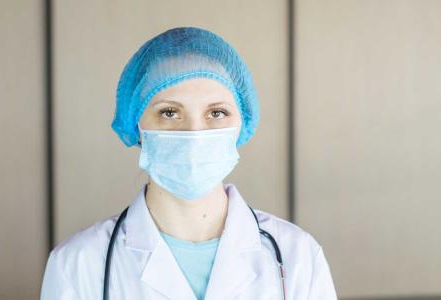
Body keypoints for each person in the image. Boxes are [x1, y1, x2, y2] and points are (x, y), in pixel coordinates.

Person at [40, 26, 338, 300]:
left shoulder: (298, 256)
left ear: (241, 124)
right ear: (136, 124)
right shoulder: (78, 265)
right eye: (169, 113)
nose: (195, 133)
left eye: (217, 113)